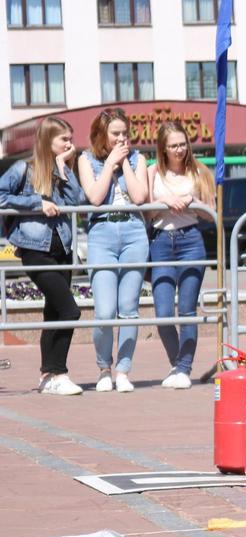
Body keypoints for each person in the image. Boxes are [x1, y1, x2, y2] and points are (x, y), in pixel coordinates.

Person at [0, 117, 84, 394]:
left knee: (54, 311)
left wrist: (64, 169)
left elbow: (78, 201)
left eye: (71, 139)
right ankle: (58, 372)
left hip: (63, 250)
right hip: (35, 250)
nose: (70, 144)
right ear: (48, 140)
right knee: (70, 310)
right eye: (64, 139)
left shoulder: (63, 171)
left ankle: (49, 376)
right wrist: (37, 202)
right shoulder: (23, 169)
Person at [78, 108, 149, 393]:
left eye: (125, 133)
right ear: (101, 135)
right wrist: (109, 164)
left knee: (129, 310)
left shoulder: (138, 158)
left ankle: (123, 369)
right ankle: (103, 367)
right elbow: (94, 197)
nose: (122, 139)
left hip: (133, 231)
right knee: (105, 311)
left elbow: (141, 196)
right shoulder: (86, 159)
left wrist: (126, 165)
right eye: (115, 134)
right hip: (102, 233)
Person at [148, 121, 213, 389]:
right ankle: (177, 364)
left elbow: (212, 212)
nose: (179, 150)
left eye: (182, 144)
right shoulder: (153, 173)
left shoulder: (199, 171)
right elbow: (146, 212)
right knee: (164, 314)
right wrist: (162, 202)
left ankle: (183, 367)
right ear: (163, 149)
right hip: (161, 241)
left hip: (191, 240)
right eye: (173, 145)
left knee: (187, 310)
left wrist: (192, 201)